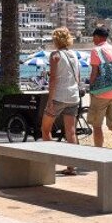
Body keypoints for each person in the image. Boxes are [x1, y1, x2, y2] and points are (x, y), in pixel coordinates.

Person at [43, 27, 82, 174]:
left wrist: (50, 99)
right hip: (73, 97)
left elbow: (53, 79)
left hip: (58, 97)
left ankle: (50, 164)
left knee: (45, 129)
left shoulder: (55, 55)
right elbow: (77, 78)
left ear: (56, 40)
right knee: (71, 132)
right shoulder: (74, 55)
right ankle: (71, 167)